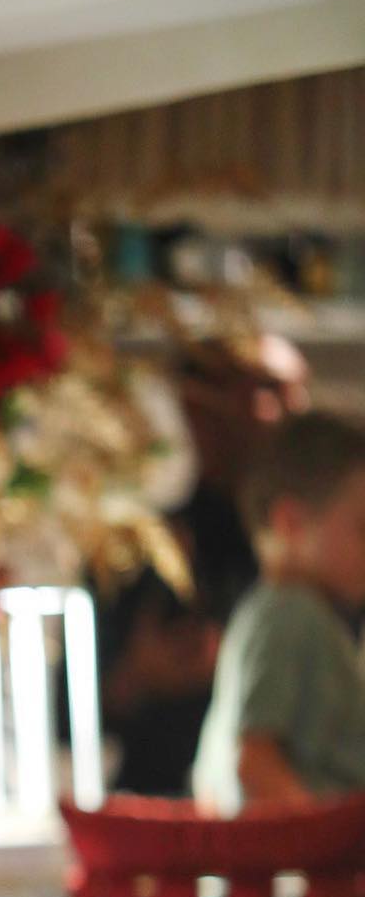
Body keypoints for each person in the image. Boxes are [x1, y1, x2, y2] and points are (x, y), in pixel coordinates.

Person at [97, 337, 310, 796]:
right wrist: (136, 676)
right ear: (199, 411)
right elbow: (63, 711)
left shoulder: (329, 541)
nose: (297, 412)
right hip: (166, 805)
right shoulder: (141, 544)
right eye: (269, 391)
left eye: (298, 392)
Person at [193, 410, 365, 814]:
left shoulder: (266, 613)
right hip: (314, 851)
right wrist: (323, 837)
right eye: (363, 528)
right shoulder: (293, 613)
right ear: (290, 523)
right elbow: (255, 762)